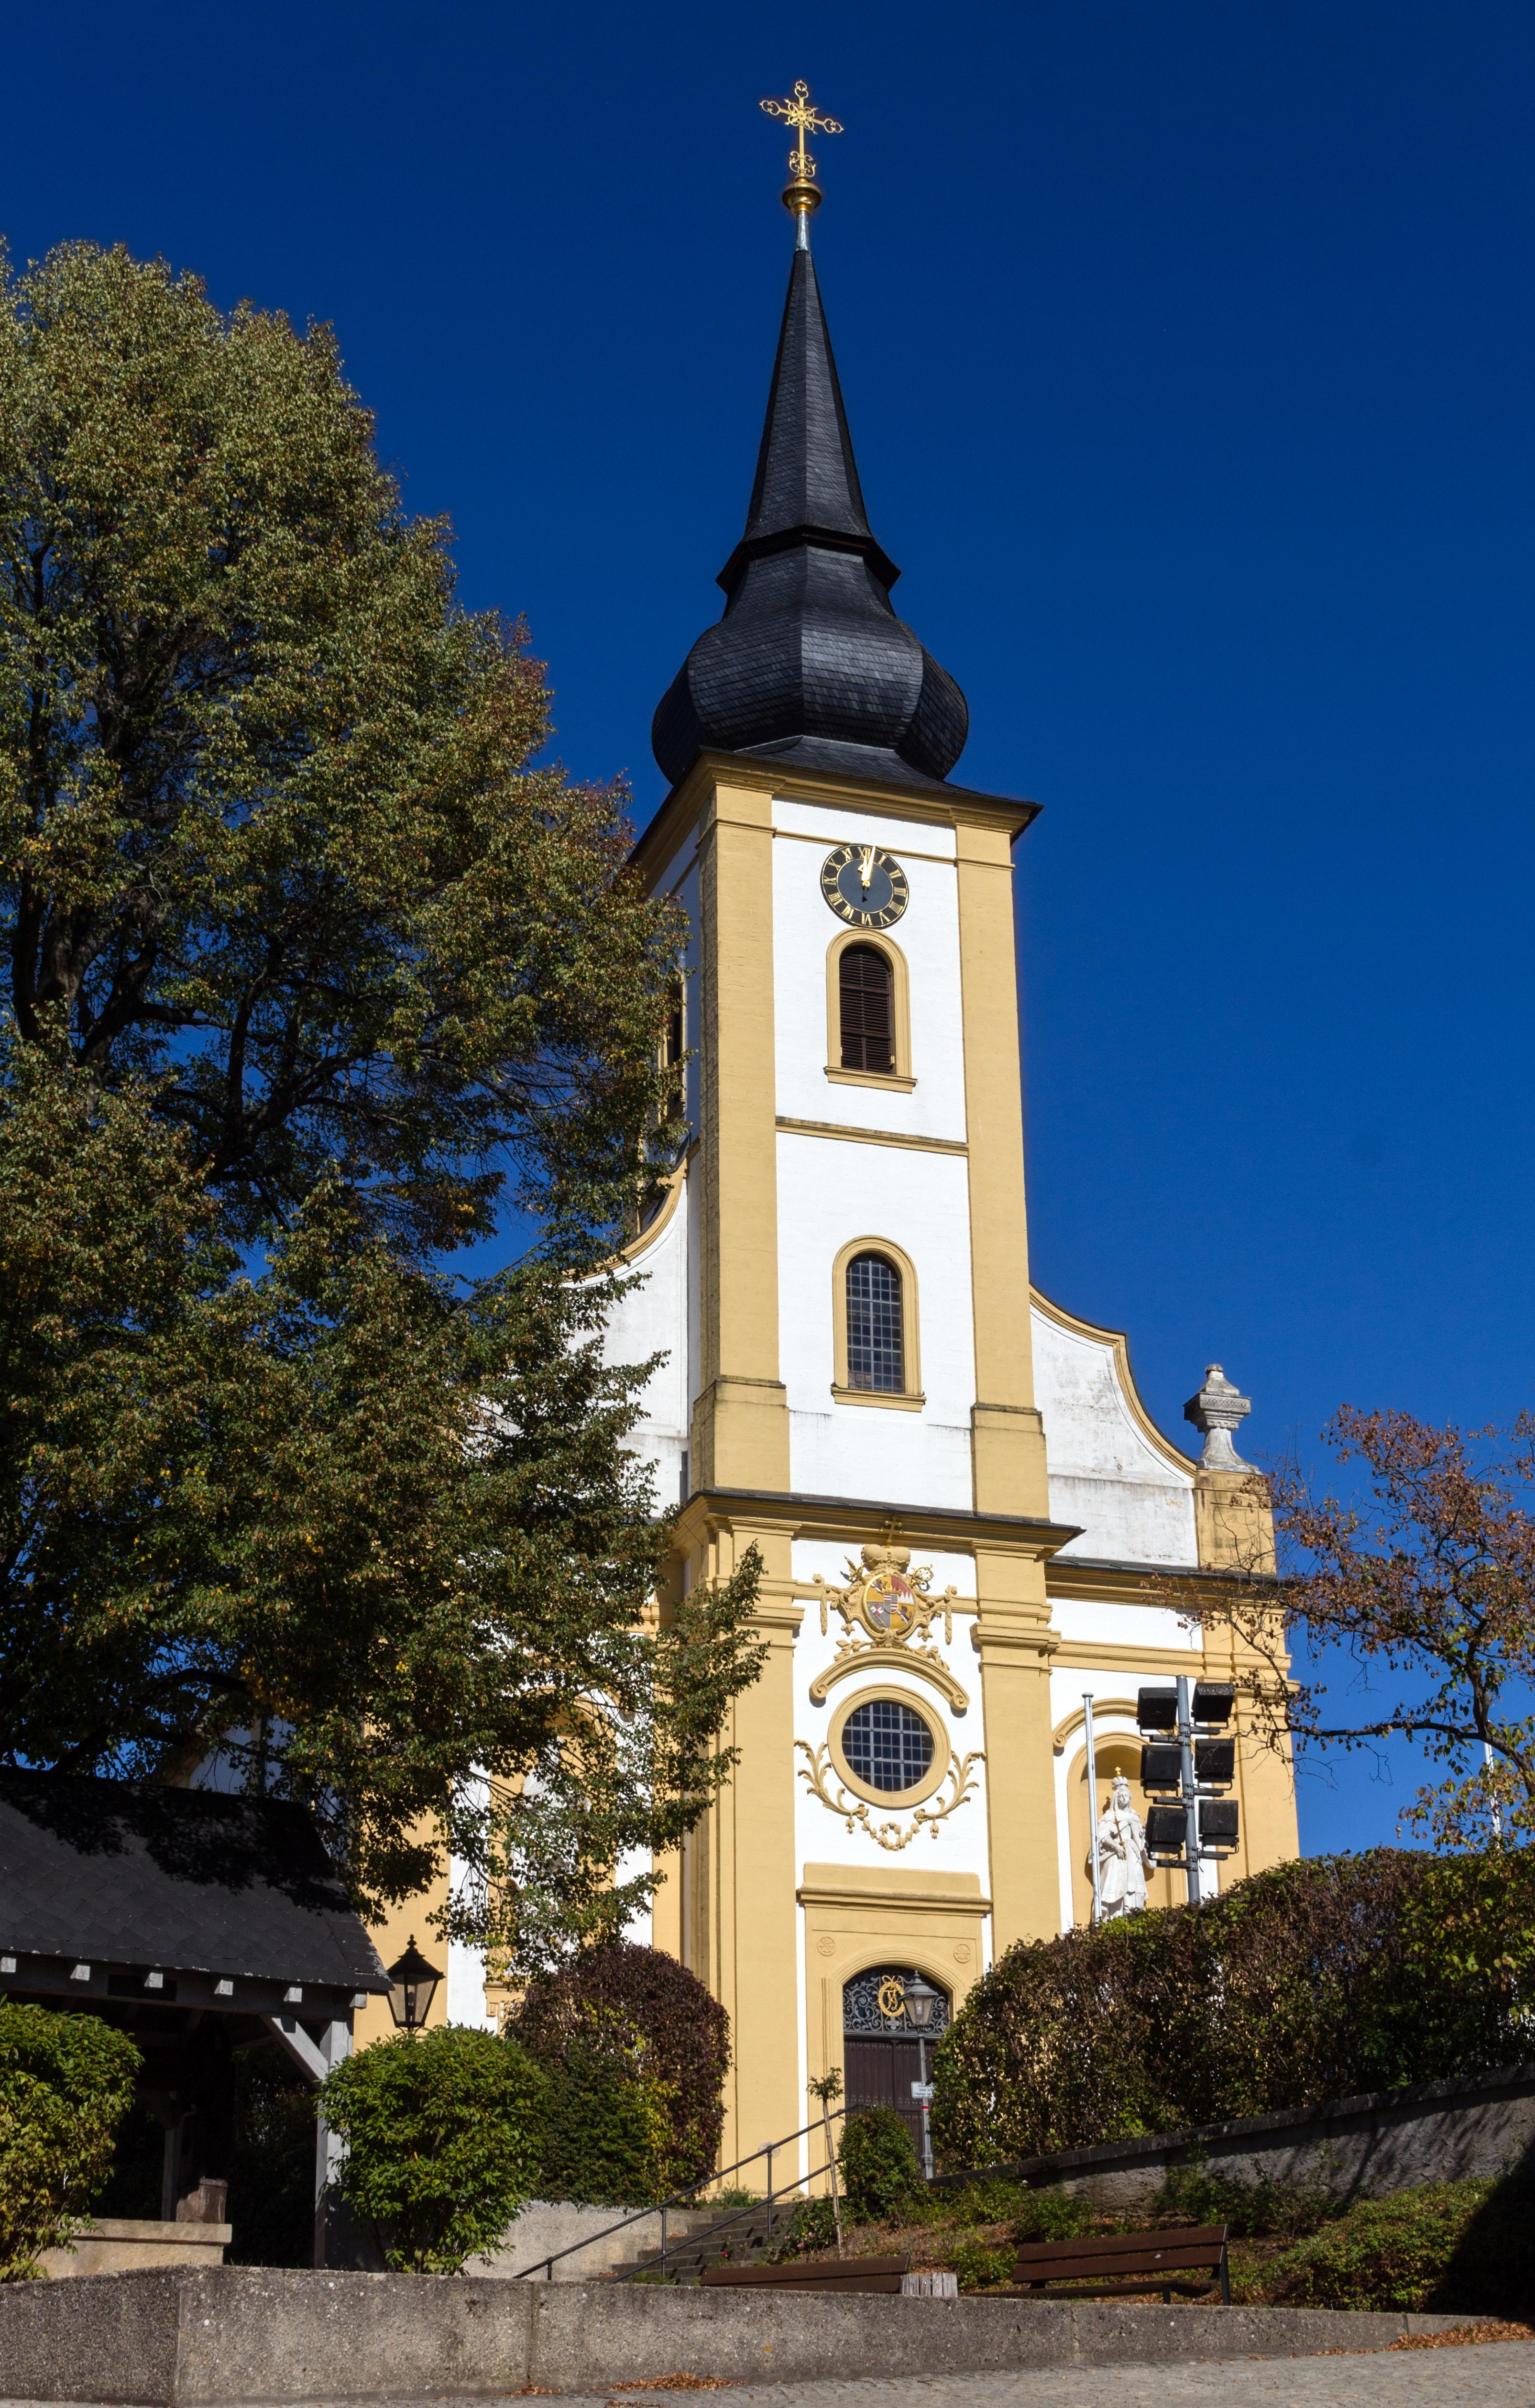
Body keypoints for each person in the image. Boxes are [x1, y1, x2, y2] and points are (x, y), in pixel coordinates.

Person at [1094, 1772, 1152, 1919]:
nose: (1124, 1798)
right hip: (1117, 1855)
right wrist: (1116, 1846)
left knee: (1133, 1888)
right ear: (1116, 1798)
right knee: (1117, 1886)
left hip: (1133, 1854)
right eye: (1121, 1796)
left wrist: (1144, 1833)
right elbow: (1101, 1836)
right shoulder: (1110, 1817)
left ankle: (1133, 1913)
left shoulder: (1134, 1816)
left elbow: (1140, 1844)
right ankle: (1116, 1916)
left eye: (1127, 1796)